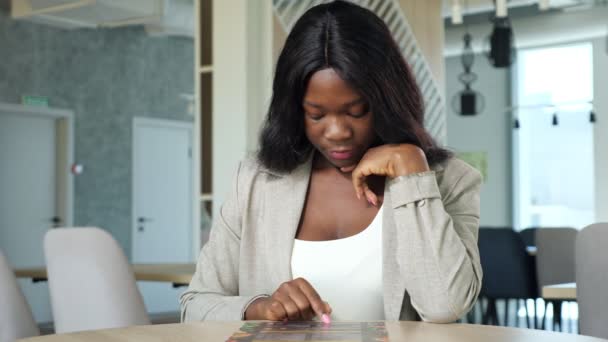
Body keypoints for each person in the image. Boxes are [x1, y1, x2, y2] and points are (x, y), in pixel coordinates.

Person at [180, 0, 482, 323]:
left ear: (386, 100)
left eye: (356, 112)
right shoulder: (254, 183)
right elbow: (195, 305)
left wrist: (412, 170)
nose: (337, 132)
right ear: (295, 111)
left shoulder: (449, 180)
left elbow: (445, 307)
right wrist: (259, 308)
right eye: (316, 115)